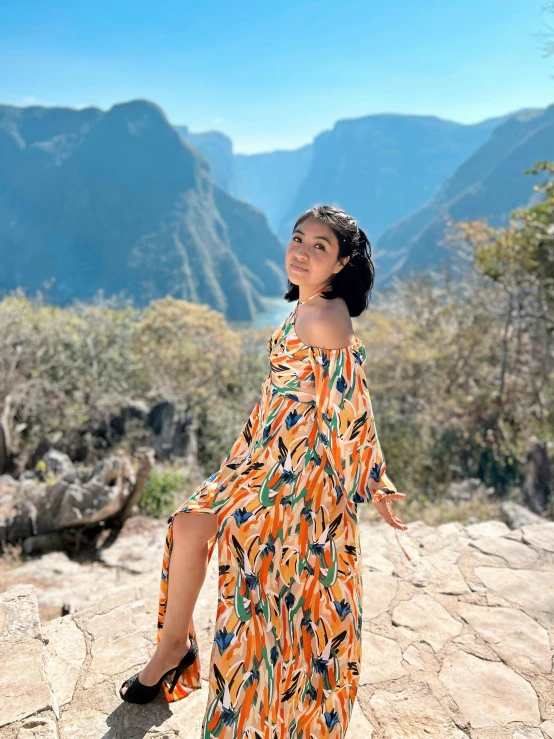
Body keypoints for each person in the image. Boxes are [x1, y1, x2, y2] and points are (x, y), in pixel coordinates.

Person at [120, 204, 408, 738]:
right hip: (261, 456)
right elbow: (278, 397)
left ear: (341, 262)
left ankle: (248, 704)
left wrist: (373, 482)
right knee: (188, 523)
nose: (301, 251)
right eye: (298, 239)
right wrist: (240, 460)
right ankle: (173, 650)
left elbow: (350, 406)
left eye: (319, 246)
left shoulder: (328, 316)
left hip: (302, 472)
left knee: (248, 556)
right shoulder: (303, 306)